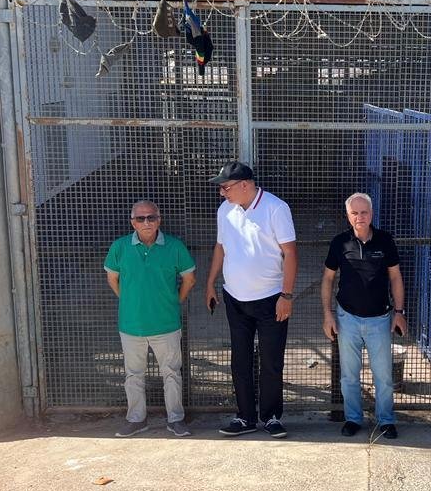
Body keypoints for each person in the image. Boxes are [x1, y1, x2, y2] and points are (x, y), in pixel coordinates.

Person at [205, 161, 298, 438]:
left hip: (271, 299)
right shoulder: (225, 210)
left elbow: (290, 253)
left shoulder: (275, 208)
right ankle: (245, 417)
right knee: (240, 361)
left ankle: (271, 417)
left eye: (226, 187)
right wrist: (210, 283)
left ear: (245, 185)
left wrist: (286, 295)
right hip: (235, 298)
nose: (222, 192)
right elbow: (220, 247)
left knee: (271, 361)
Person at [105, 200, 196, 437]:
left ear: (159, 220)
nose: (146, 222)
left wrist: (174, 301)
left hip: (166, 324)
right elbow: (112, 279)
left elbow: (189, 279)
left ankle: (175, 419)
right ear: (132, 222)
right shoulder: (119, 247)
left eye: (151, 217)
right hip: (131, 325)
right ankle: (136, 420)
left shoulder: (175, 247)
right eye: (140, 218)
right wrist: (130, 302)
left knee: (172, 373)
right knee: (133, 375)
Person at [321, 193, 407, 439]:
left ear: (372, 214)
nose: (360, 217)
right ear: (348, 216)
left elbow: (395, 277)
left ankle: (386, 420)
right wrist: (328, 314)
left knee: (383, 376)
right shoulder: (340, 243)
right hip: (347, 319)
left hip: (380, 319)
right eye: (354, 213)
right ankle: (353, 419)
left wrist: (399, 312)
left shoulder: (385, 240)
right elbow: (327, 279)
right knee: (349, 375)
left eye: (364, 212)